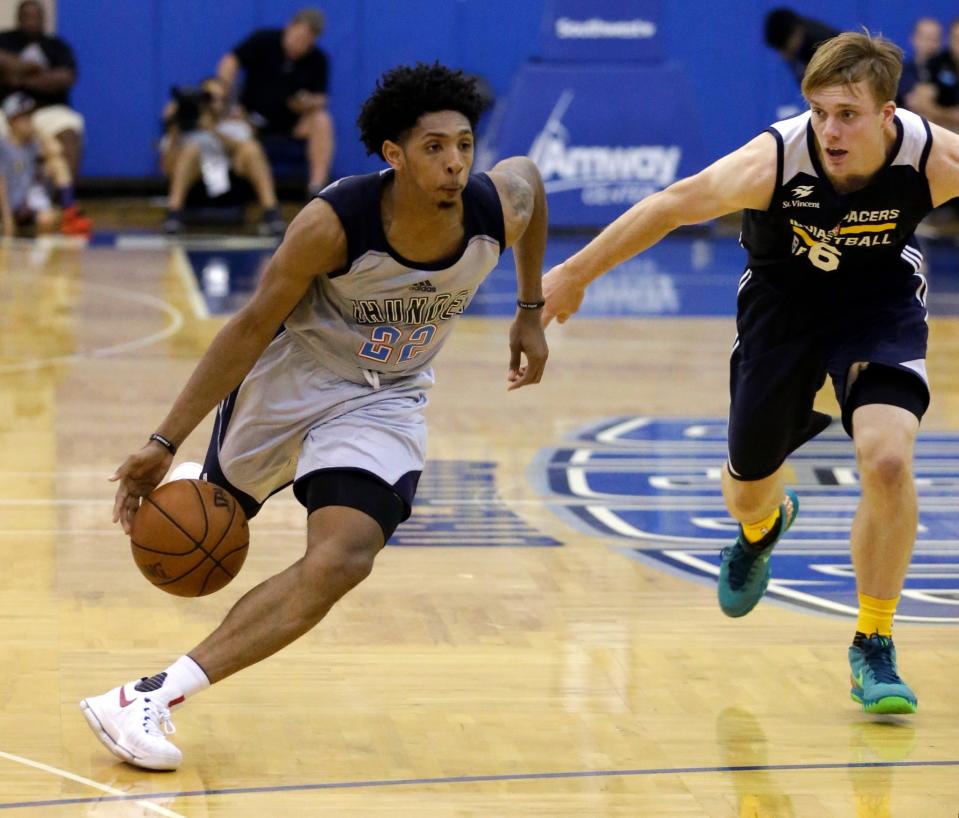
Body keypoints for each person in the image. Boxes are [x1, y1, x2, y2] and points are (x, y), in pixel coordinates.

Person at [79, 62, 549, 770]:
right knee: (209, 535)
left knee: (343, 558)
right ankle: (205, 476)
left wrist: (530, 309)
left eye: (463, 144)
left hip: (387, 396)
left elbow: (532, 186)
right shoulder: (334, 225)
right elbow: (247, 327)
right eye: (433, 148)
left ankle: (148, 696)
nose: (455, 163)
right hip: (295, 376)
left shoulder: (493, 206)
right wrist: (160, 440)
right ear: (393, 155)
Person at [542, 31, 959, 716]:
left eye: (846, 114)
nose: (828, 128)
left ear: (886, 116)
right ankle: (761, 529)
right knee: (746, 488)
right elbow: (671, 204)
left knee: (886, 462)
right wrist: (573, 272)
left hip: (877, 305)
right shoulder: (773, 158)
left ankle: (872, 642)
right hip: (781, 311)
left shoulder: (930, 158)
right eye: (819, 110)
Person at [217, 7, 334, 196]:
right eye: (300, 36)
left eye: (309, 40)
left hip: (291, 123)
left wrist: (307, 102)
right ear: (290, 27)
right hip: (250, 118)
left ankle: (316, 188)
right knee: (232, 130)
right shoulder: (264, 41)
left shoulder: (318, 59)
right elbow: (230, 62)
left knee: (322, 120)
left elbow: (321, 99)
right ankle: (241, 195)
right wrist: (226, 98)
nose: (302, 44)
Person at [160, 77, 285, 236]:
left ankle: (271, 214)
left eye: (219, 98)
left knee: (252, 149)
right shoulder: (184, 125)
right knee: (191, 151)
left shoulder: (236, 124)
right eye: (208, 98)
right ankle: (173, 215)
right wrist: (171, 127)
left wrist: (212, 130)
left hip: (232, 186)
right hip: (196, 188)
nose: (213, 103)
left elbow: (247, 151)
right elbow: (167, 168)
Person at [0, 0, 84, 177]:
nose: (31, 21)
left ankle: (62, 198)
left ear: (43, 19)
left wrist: (20, 79)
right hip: (6, 111)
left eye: (35, 17)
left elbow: (66, 77)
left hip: (46, 109)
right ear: (18, 18)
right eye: (26, 17)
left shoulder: (57, 46)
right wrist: (28, 66)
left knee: (69, 128)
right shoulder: (5, 40)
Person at [0, 91, 90, 234]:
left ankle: (69, 209)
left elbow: (56, 151)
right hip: (10, 204)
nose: (29, 121)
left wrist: (40, 133)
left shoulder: (33, 143)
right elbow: (2, 183)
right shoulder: (3, 146)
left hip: (28, 204)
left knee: (57, 163)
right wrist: (7, 219)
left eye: (30, 116)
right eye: (24, 117)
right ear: (12, 120)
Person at [906, 17, 959, 132]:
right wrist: (950, 115)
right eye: (956, 39)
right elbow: (922, 104)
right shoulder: (937, 63)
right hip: (945, 127)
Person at [763, 7, 840, 85]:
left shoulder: (826, 45)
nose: (784, 56)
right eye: (780, 50)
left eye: (785, 49)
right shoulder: (794, 47)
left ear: (796, 32)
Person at [897, 17, 942, 109]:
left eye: (936, 39)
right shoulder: (902, 71)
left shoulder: (948, 71)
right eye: (927, 38)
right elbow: (914, 103)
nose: (931, 44)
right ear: (914, 39)